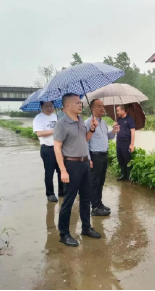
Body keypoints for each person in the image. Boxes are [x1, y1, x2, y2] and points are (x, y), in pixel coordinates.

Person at [53, 93, 102, 247]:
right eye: (77, 103)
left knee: (86, 198)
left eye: (81, 102)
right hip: (71, 165)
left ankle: (86, 227)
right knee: (68, 200)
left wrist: (92, 129)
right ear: (67, 105)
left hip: (85, 163)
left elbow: (84, 139)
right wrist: (63, 170)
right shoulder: (62, 124)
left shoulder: (80, 120)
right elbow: (57, 148)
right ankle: (64, 234)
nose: (80, 105)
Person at [85, 99, 119, 217]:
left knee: (101, 181)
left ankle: (99, 203)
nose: (102, 109)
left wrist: (114, 132)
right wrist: (89, 159)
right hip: (95, 155)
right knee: (94, 182)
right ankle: (94, 207)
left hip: (104, 155)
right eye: (99, 106)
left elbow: (107, 137)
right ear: (92, 109)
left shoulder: (103, 123)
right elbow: (86, 142)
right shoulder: (88, 122)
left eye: (103, 106)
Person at [33, 101, 63, 203]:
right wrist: (54, 130)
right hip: (47, 149)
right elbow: (39, 133)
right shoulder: (39, 118)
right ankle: (50, 194)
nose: (50, 108)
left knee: (61, 170)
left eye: (51, 106)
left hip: (58, 148)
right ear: (41, 106)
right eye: (47, 106)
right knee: (49, 172)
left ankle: (62, 191)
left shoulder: (56, 116)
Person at [116, 105, 136, 181]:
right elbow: (116, 130)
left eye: (118, 110)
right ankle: (123, 174)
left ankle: (128, 176)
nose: (117, 112)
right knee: (120, 158)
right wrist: (114, 126)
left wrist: (132, 144)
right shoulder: (119, 119)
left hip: (126, 142)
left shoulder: (130, 120)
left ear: (123, 110)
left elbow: (133, 132)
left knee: (127, 159)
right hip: (119, 142)